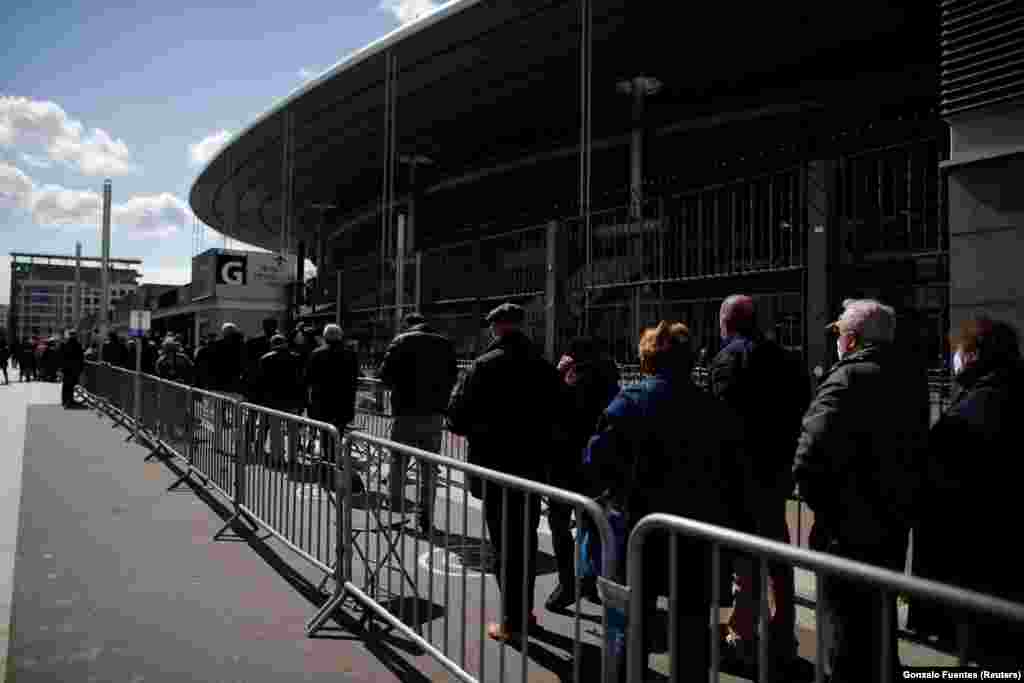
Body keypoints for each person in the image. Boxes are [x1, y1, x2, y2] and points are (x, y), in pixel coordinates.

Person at [584, 321, 742, 679]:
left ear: (647, 360)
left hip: (640, 530)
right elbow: (732, 473)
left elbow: (595, 462)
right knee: (692, 633)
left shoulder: (629, 402)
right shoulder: (712, 408)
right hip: (696, 534)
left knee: (631, 626)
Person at [793, 299, 929, 682]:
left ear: (851, 340)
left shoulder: (845, 379)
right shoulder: (913, 378)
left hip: (847, 532)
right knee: (878, 628)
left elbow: (808, 459)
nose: (835, 341)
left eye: (838, 333)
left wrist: (830, 509)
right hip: (892, 525)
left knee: (844, 636)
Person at [909, 317, 1024, 667]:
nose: (953, 358)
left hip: (978, 557)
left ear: (973, 355)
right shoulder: (1007, 391)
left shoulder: (979, 405)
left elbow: (944, 479)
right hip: (1005, 556)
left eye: (957, 350)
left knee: (986, 653)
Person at [446, 302, 563, 642]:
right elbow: (558, 417)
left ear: (496, 328)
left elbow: (457, 419)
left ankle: (513, 620)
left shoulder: (483, 366)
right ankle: (523, 611)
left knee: (504, 547)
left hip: (495, 468)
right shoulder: (543, 367)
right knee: (524, 542)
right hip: (531, 467)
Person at [710, 295, 810, 677]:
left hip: (741, 474)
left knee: (744, 555)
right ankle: (783, 628)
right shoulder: (787, 359)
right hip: (777, 471)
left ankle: (742, 634)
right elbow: (801, 408)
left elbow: (723, 423)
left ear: (727, 320)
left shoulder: (728, 360)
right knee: (776, 550)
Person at [545, 336, 619, 612]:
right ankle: (594, 579)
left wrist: (557, 375)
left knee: (561, 524)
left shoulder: (571, 379)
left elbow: (553, 408)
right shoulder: (609, 376)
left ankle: (568, 584)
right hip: (597, 463)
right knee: (594, 523)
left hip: (566, 462)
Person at [378, 312, 459, 535]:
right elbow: (453, 376)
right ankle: (426, 517)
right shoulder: (444, 344)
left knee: (398, 461)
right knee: (429, 468)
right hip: (434, 414)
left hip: (405, 411)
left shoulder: (401, 341)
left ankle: (396, 511)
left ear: (407, 325)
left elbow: (384, 375)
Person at [257, 334, 305, 413]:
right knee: (292, 423)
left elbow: (261, 381)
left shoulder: (265, 359)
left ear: (272, 344)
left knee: (274, 423)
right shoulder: (296, 358)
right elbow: (301, 380)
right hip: (292, 398)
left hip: (272, 399)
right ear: (285, 343)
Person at [210, 323, 247, 399]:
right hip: (235, 385)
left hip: (219, 384)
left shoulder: (216, 345)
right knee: (235, 409)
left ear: (223, 333)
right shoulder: (242, 345)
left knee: (218, 409)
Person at [246, 317, 278, 400]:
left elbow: (247, 361)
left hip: (259, 381)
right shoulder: (283, 341)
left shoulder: (253, 341)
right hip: (267, 382)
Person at [61, 330, 85, 408]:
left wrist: (62, 368)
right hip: (74, 369)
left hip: (66, 369)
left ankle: (65, 401)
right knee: (71, 385)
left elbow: (62, 357)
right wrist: (81, 368)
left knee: (66, 385)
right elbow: (80, 358)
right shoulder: (77, 345)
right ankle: (70, 400)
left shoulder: (65, 344)